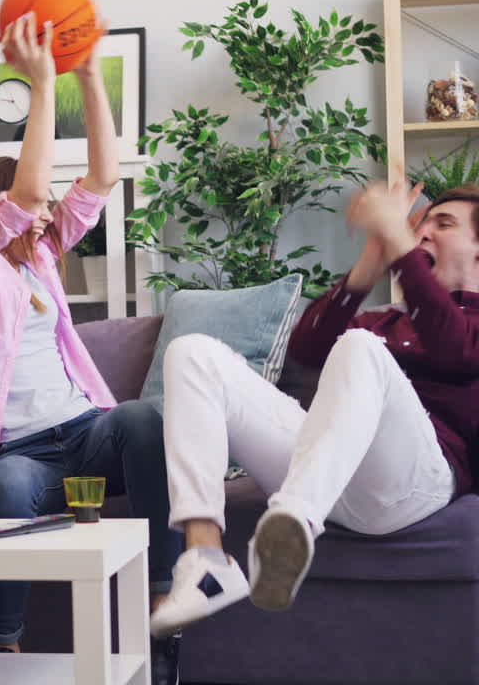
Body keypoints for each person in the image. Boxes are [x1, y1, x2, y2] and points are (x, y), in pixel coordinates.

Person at [0, 13, 179, 677]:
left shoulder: (42, 257)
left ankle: (163, 592)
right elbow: (30, 191)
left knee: (143, 416)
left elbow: (101, 178)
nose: (43, 213)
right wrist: (40, 86)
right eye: (26, 206)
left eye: (40, 211)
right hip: (21, 452)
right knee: (5, 484)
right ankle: (3, 642)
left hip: (85, 432)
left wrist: (89, 76)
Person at [150, 181, 479, 638]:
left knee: (360, 346)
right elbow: (307, 347)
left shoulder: (466, 327)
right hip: (329, 475)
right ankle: (206, 561)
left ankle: (292, 524)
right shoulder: (384, 322)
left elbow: (455, 349)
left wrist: (401, 245)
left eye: (442, 225)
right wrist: (375, 257)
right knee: (191, 353)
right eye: (420, 225)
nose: (422, 233)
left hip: (411, 485)